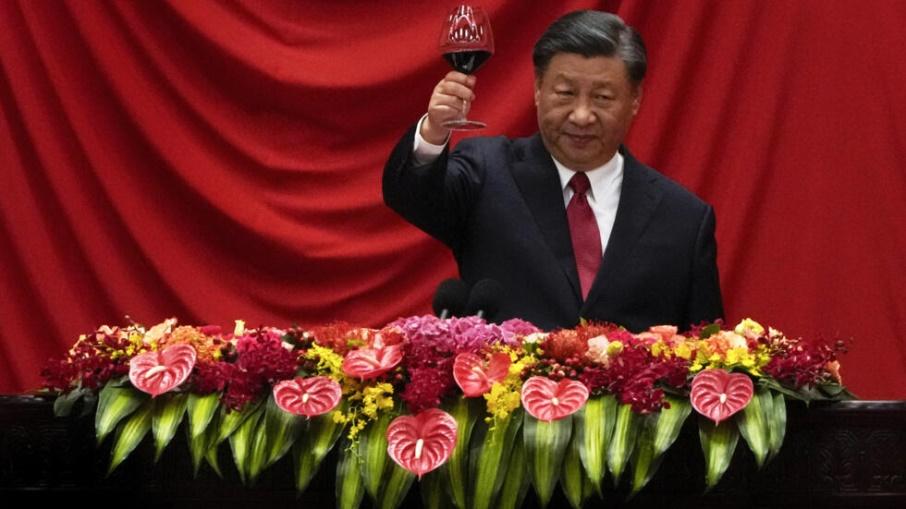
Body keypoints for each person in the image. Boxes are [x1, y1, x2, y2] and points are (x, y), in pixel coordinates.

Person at [383, 10, 723, 332]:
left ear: (635, 99)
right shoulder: (488, 172)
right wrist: (434, 132)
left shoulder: (684, 220)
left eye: (603, 98)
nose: (581, 115)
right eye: (565, 94)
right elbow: (414, 196)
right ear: (537, 90)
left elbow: (709, 352)